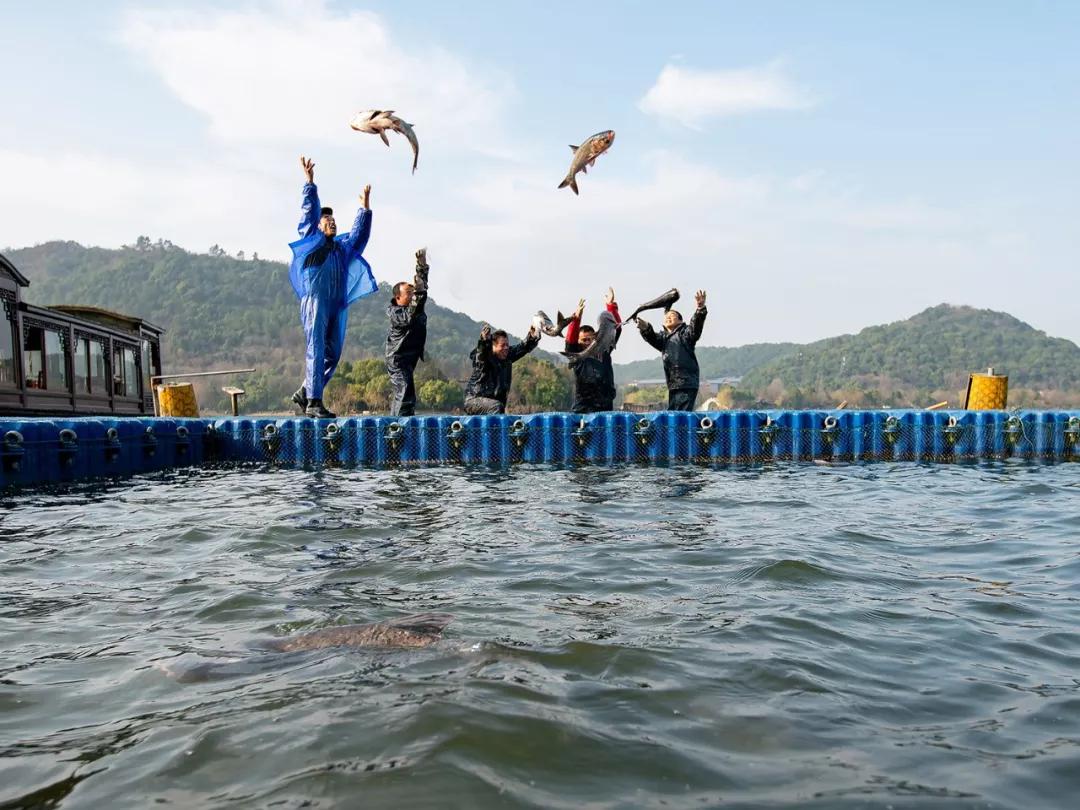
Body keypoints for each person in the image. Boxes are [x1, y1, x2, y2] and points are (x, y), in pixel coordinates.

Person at [288, 155, 377, 418]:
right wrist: (309, 184)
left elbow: (359, 237)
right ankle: (314, 402)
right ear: (318, 225)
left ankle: (305, 391)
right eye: (327, 219)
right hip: (315, 302)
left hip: (337, 305)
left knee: (333, 355)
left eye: (334, 219)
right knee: (316, 347)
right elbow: (309, 213)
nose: (332, 222)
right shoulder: (312, 241)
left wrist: (364, 210)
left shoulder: (342, 248)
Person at [635, 289, 707, 411]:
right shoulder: (663, 338)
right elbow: (652, 337)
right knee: (674, 414)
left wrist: (700, 309)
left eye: (672, 315)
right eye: (667, 316)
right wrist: (645, 328)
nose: (668, 317)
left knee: (681, 415)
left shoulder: (685, 334)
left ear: (680, 321)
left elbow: (696, 326)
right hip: (673, 384)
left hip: (686, 383)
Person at [385, 249, 429, 416]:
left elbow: (422, 287)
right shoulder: (396, 312)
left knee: (407, 393)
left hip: (409, 358)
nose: (412, 296)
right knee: (404, 391)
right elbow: (410, 316)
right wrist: (419, 293)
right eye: (408, 294)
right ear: (398, 298)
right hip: (397, 358)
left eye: (413, 293)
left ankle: (400, 423)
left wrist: (421, 265)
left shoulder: (416, 307)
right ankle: (397, 426)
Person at [564, 288, 622, 413]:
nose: (587, 342)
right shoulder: (576, 355)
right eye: (583, 340)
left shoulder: (604, 349)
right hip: (583, 407)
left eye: (589, 339)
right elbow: (570, 341)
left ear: (595, 338)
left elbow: (616, 328)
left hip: (605, 405)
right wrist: (576, 319)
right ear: (578, 341)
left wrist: (611, 306)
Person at [463, 324, 541, 414]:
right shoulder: (485, 358)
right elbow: (481, 355)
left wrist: (532, 336)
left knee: (498, 407)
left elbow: (522, 347)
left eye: (507, 345)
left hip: (495, 404)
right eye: (502, 345)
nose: (506, 348)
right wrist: (484, 341)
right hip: (473, 400)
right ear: (493, 346)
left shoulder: (508, 355)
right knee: (496, 406)